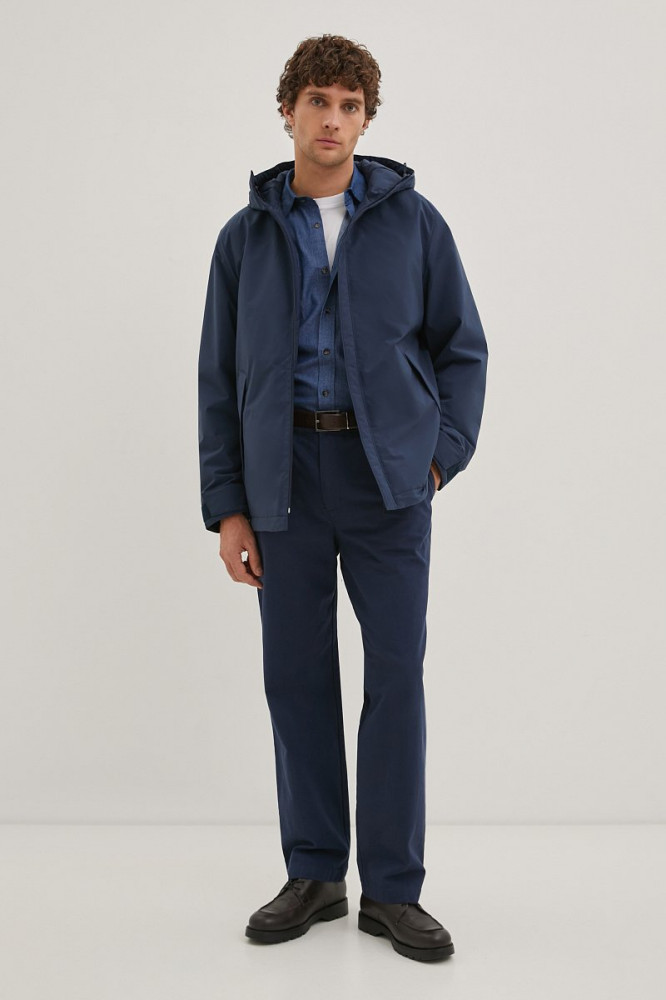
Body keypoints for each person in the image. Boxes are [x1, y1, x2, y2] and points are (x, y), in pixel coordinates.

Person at [197, 33, 488, 962]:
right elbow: (218, 380)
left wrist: (436, 458)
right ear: (288, 111)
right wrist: (228, 506)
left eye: (349, 106)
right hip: (282, 478)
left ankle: (392, 889)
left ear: (366, 118)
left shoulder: (414, 224)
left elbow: (462, 348)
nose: (332, 120)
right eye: (317, 102)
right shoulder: (245, 238)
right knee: (296, 677)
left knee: (395, 674)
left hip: (387, 478)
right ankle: (316, 873)